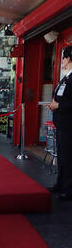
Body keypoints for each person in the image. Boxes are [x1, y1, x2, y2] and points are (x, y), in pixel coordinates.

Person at [47, 45, 72, 201]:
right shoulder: (65, 78)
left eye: (63, 58)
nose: (61, 61)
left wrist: (59, 106)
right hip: (62, 125)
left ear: (68, 59)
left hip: (69, 126)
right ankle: (60, 184)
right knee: (62, 156)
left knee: (69, 157)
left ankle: (68, 189)